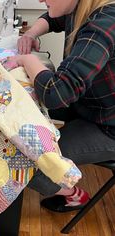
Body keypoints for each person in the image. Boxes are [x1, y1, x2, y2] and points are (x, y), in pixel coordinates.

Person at [9, 0, 115, 212]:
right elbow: (52, 17)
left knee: (23, 159)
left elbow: (57, 93)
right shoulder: (83, 7)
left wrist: (26, 60)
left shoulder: (103, 24)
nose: (40, 0)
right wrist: (30, 35)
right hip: (91, 105)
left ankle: (73, 195)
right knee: (24, 111)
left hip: (108, 126)